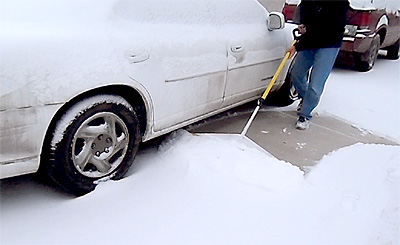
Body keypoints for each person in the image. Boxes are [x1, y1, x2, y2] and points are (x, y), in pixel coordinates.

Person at [287, 0, 349, 130]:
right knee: (296, 73)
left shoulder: (340, 3)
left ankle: (305, 115)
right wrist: (303, 24)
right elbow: (304, 11)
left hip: (329, 44)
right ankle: (306, 99)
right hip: (309, 41)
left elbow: (326, 27)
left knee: (315, 85)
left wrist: (298, 46)